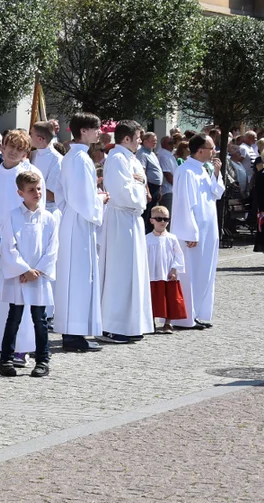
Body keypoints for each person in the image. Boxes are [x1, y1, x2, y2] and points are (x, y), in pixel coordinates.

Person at [0, 129, 45, 363]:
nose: (13, 151)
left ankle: (22, 347)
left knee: (21, 293)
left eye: (19, 148)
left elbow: (39, 209)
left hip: (23, 239)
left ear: (25, 151)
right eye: (10, 145)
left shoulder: (31, 174)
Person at [54, 113, 108, 352]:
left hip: (75, 220)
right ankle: (73, 333)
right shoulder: (79, 159)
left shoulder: (73, 157)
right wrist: (100, 200)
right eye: (96, 129)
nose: (99, 133)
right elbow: (81, 198)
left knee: (78, 277)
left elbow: (62, 193)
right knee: (77, 279)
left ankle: (75, 330)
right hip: (78, 222)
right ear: (83, 131)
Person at [0, 171, 57, 378]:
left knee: (39, 320)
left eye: (39, 188)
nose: (37, 193)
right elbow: (8, 246)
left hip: (38, 277)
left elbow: (52, 248)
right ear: (20, 192)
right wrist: (24, 270)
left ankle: (42, 360)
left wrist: (37, 271)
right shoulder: (13, 216)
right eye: (31, 190)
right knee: (13, 318)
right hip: (20, 277)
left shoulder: (48, 218)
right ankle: (5, 359)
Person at [98, 121, 152, 344]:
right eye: (138, 137)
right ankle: (112, 325)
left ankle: (130, 323)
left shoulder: (131, 158)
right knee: (118, 273)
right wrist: (140, 185)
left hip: (132, 219)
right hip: (120, 219)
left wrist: (141, 184)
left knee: (133, 273)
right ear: (127, 138)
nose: (141, 140)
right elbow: (124, 192)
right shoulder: (118, 158)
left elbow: (143, 190)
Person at [171, 134, 225, 329]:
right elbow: (185, 204)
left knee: (205, 271)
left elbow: (216, 193)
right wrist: (190, 233)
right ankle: (185, 317)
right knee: (191, 273)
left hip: (208, 228)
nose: (214, 152)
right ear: (200, 150)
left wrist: (217, 173)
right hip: (194, 231)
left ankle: (198, 312)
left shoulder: (203, 170)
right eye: (211, 148)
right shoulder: (186, 171)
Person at [145, 205, 186, 334]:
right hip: (152, 273)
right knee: (152, 298)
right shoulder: (146, 239)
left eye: (166, 219)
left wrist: (174, 270)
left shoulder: (172, 238)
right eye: (159, 219)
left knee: (169, 298)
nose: (163, 222)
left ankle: (168, 323)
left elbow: (179, 255)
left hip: (168, 274)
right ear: (152, 220)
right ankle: (150, 321)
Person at [29, 121, 63, 211]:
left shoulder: (57, 160)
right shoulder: (33, 154)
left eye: (31, 135)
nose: (29, 138)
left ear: (40, 139)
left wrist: (26, 190)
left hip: (48, 210)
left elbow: (53, 195)